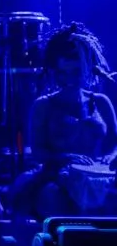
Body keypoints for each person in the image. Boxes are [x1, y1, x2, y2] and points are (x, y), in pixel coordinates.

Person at [10, 22, 117, 223]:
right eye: (62, 72)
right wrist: (65, 158)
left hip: (99, 180)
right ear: (53, 70)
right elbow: (38, 151)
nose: (68, 79)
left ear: (87, 68)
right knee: (53, 198)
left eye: (75, 72)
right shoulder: (43, 105)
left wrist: (110, 158)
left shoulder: (101, 102)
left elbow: (115, 143)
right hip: (56, 177)